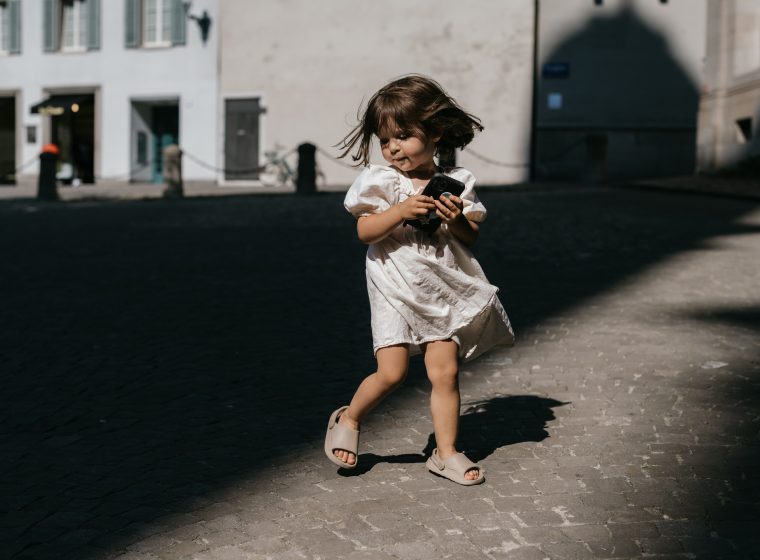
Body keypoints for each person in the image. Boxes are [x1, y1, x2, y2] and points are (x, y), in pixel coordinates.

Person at [324, 75, 514, 486]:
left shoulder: (458, 182)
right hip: (392, 281)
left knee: (444, 373)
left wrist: (457, 219)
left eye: (403, 136)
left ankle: (445, 453)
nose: (393, 148)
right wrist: (401, 211)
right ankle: (350, 416)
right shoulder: (381, 181)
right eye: (385, 139)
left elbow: (471, 238)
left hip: (439, 286)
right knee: (392, 373)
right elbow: (365, 232)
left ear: (435, 132)